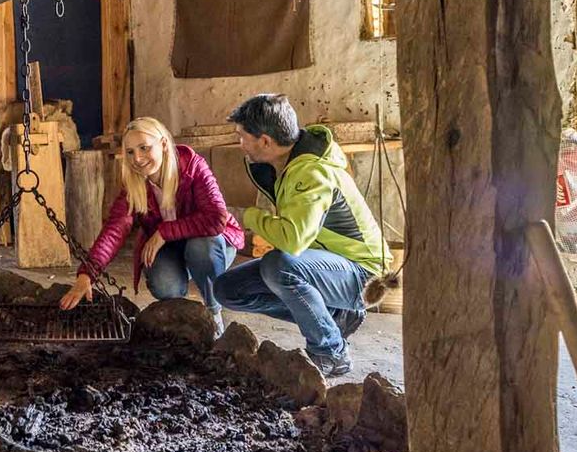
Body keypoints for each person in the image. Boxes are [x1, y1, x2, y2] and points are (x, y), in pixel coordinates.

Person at [213, 94, 385, 378]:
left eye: (243, 137)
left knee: (279, 266)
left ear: (265, 141)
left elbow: (293, 241)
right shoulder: (287, 165)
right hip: (327, 265)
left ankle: (331, 352)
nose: (240, 144)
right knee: (228, 290)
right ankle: (333, 316)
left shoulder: (311, 172)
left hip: (363, 274)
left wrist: (247, 217)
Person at [60, 117, 244, 332]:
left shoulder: (193, 166)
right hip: (171, 249)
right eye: (130, 152)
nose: (137, 158)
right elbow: (114, 230)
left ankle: (214, 314)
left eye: (144, 148)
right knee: (165, 285)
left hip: (211, 244)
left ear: (164, 144)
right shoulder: (134, 184)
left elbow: (216, 219)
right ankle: (184, 324)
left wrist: (164, 232)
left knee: (201, 247)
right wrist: (86, 275)